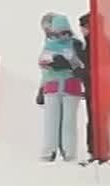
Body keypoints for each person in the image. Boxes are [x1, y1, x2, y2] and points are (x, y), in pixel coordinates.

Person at [36, 13, 84, 162]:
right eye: (59, 33)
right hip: (52, 87)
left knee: (69, 122)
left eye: (66, 32)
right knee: (51, 121)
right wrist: (41, 89)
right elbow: (44, 67)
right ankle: (48, 151)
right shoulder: (49, 46)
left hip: (70, 87)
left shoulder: (75, 45)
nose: (63, 36)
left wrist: (69, 64)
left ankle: (69, 152)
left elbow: (81, 64)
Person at [76, 13, 97, 162]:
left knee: (95, 120)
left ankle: (95, 150)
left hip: (95, 88)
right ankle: (94, 150)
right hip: (92, 87)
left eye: (83, 27)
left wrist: (79, 71)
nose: (82, 31)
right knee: (93, 119)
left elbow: (90, 66)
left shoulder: (95, 43)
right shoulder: (90, 42)